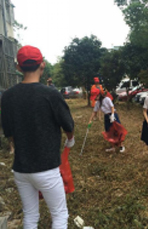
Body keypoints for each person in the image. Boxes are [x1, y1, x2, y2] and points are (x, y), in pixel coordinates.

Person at [1, 45, 75, 228]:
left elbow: (9, 133)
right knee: (59, 215)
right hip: (47, 168)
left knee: (31, 215)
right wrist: (70, 139)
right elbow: (68, 125)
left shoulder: (7, 97)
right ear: (42, 64)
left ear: (18, 68)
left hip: (21, 169)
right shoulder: (50, 94)